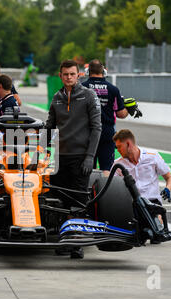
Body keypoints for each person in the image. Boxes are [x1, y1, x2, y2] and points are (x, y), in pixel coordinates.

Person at [44, 59, 102, 205]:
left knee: (79, 201)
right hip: (60, 157)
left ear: (79, 75)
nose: (69, 77)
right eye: (65, 74)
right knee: (56, 199)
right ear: (60, 76)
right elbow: (49, 127)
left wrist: (90, 156)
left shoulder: (90, 95)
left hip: (81, 158)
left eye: (72, 74)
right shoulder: (57, 97)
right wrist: (39, 151)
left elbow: (97, 128)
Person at [112, 129, 171, 244]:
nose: (118, 150)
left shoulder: (153, 156)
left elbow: (169, 178)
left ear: (128, 144)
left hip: (152, 202)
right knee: (138, 238)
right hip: (133, 204)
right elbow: (112, 186)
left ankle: (157, 221)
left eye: (119, 146)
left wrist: (167, 189)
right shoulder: (118, 165)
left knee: (156, 235)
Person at [82, 59, 136, 173]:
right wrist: (130, 109)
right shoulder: (113, 89)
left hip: (86, 133)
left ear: (88, 72)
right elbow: (121, 114)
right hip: (107, 133)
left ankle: (87, 190)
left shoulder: (81, 87)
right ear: (104, 72)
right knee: (106, 169)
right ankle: (104, 190)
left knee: (87, 168)